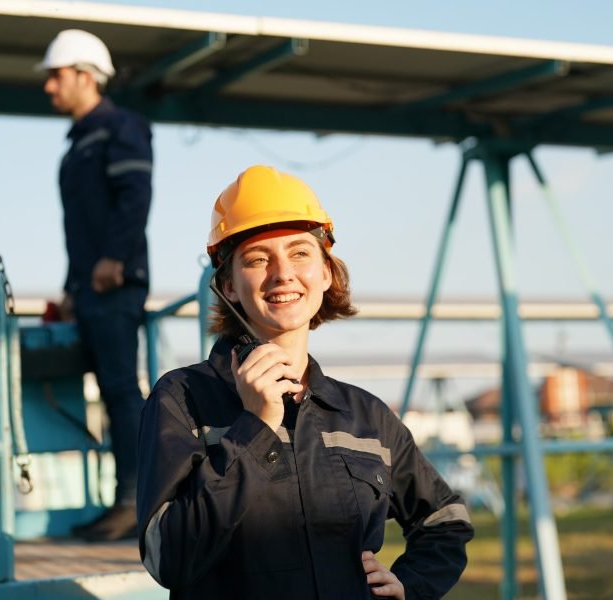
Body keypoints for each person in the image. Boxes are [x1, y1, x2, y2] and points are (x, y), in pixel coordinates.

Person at [137, 165, 473, 599]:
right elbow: (169, 559)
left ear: (326, 273)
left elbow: (445, 521)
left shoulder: (365, 417)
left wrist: (411, 584)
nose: (283, 274)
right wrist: (254, 429)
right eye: (258, 259)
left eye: (300, 253)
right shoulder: (181, 400)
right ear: (229, 286)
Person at [37, 29, 153, 542]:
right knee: (111, 394)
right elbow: (80, 228)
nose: (49, 87)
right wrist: (69, 288)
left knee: (123, 392)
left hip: (115, 284)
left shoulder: (120, 127)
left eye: (56, 76)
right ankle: (121, 500)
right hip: (89, 287)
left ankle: (135, 503)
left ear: (86, 76)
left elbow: (135, 196)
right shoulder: (80, 141)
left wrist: (112, 260)